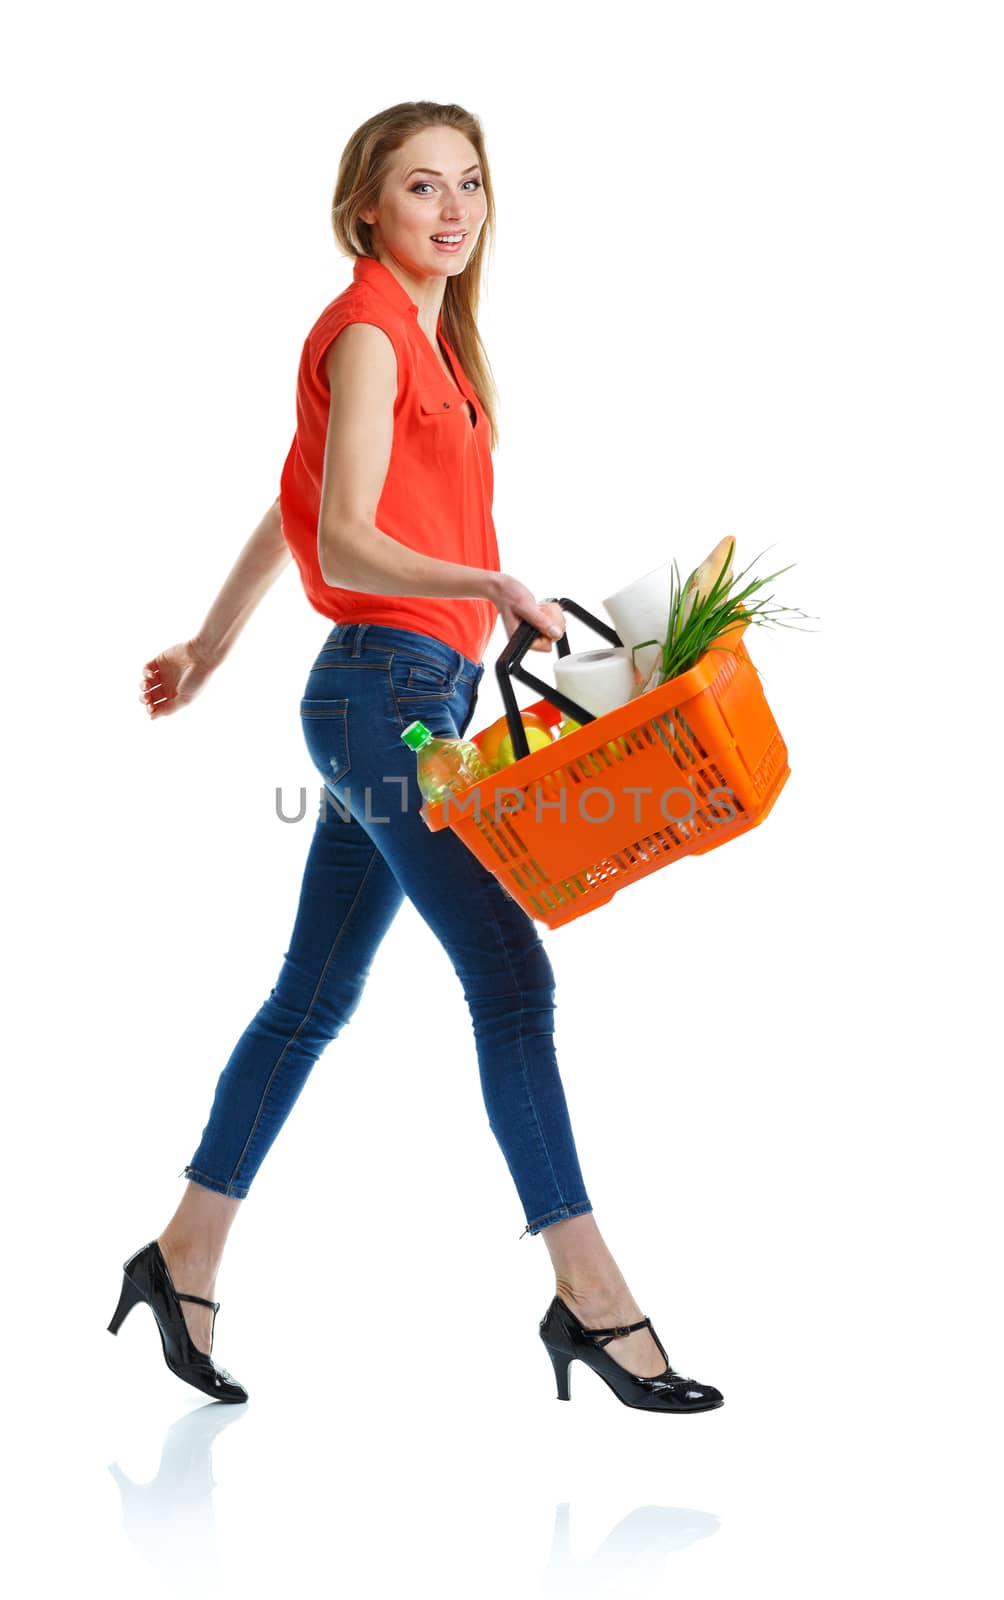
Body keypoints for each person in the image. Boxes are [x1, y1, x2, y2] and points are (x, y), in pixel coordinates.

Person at [110, 101, 723, 1415]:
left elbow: (293, 510)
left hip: (402, 701)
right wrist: (493, 580)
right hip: (382, 696)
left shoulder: (425, 339)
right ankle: (591, 1293)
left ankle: (182, 1254)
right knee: (510, 973)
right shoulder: (373, 331)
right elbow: (341, 538)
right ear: (366, 211)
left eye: (470, 185)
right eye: (421, 187)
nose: (452, 209)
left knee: (314, 998)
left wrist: (211, 647)